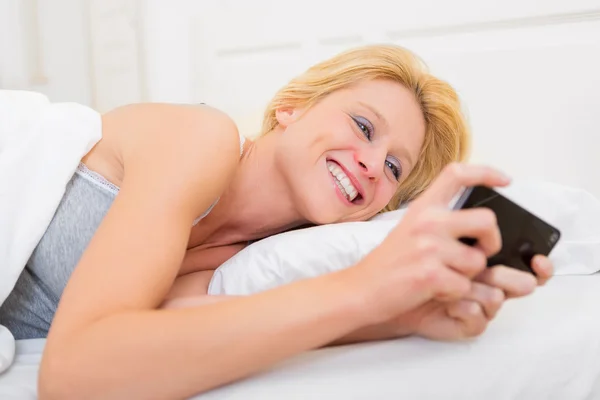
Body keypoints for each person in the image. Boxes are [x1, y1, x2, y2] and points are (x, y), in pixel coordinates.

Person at [0, 44, 553, 399]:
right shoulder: (200, 139)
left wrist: (404, 316)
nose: (369, 162)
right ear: (291, 107)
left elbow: (170, 336)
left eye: (392, 167)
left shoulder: (238, 261)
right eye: (364, 126)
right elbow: (74, 372)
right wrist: (364, 289)